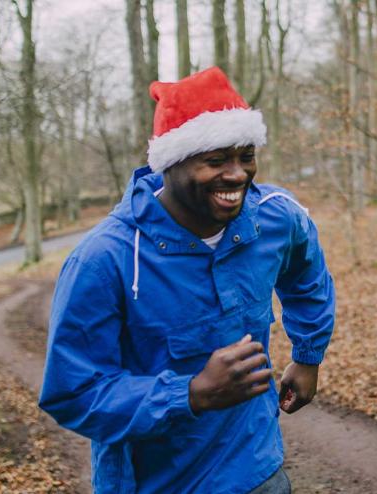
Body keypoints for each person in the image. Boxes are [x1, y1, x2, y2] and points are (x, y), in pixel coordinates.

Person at [39, 67, 335, 494]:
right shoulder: (105, 259)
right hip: (157, 483)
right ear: (170, 163)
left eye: (246, 156)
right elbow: (73, 392)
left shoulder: (274, 216)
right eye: (215, 161)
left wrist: (308, 356)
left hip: (257, 470)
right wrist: (190, 394)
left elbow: (307, 276)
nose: (237, 175)